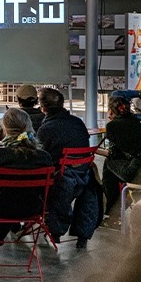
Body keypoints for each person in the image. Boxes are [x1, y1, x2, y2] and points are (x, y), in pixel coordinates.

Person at [0, 107, 55, 245]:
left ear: (5, 129)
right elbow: (48, 191)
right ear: (29, 127)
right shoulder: (44, 158)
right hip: (31, 208)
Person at [37, 86, 100, 244]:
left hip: (61, 180)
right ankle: (82, 236)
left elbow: (41, 157)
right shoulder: (78, 123)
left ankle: (54, 231)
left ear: (43, 108)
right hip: (85, 175)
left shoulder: (46, 129)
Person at [96, 94, 141, 217]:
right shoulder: (139, 123)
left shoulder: (113, 126)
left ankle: (112, 213)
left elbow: (113, 153)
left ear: (111, 111)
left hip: (135, 173)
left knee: (109, 164)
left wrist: (95, 151)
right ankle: (117, 209)